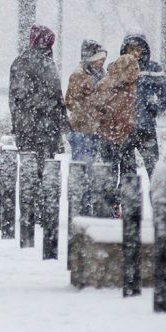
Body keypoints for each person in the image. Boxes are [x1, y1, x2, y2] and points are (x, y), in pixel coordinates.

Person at [9, 25, 69, 219]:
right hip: (46, 128)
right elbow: (56, 96)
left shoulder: (18, 63)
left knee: (28, 170)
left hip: (25, 127)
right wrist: (62, 123)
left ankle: (28, 213)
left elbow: (14, 98)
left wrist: (18, 122)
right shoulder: (46, 64)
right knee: (45, 170)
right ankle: (45, 213)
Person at [92, 43, 140, 215]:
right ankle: (110, 205)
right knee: (111, 173)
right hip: (110, 136)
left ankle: (121, 203)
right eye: (133, 70)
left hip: (124, 135)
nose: (135, 74)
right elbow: (98, 109)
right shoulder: (107, 84)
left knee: (128, 172)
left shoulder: (129, 84)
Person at [121, 32, 166, 179]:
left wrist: (155, 108)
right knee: (127, 171)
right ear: (125, 49)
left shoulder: (153, 69)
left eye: (139, 49)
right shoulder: (117, 68)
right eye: (131, 49)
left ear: (144, 50)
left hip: (146, 128)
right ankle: (129, 200)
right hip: (125, 129)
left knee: (153, 169)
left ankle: (158, 200)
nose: (135, 53)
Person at [65, 39, 107, 216]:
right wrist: (90, 114)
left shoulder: (101, 74)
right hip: (82, 131)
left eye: (102, 59)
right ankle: (78, 205)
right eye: (97, 59)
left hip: (96, 131)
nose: (101, 62)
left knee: (92, 170)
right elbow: (70, 101)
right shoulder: (78, 75)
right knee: (82, 168)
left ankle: (88, 204)